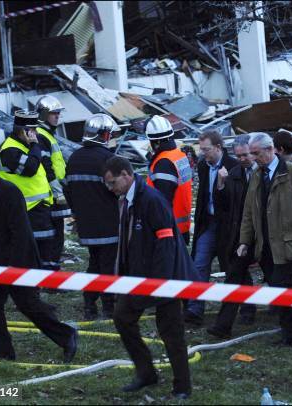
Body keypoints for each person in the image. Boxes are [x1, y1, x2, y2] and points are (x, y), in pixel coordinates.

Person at [0, 151, 77, 363]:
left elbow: (21, 233)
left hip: (15, 263)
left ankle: (67, 336)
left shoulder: (8, 191)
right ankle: (2, 352)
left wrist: (16, 269)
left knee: (29, 305)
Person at [104, 156, 193, 398]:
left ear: (126, 174)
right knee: (122, 319)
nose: (111, 189)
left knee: (171, 333)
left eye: (113, 183)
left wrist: (160, 284)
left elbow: (166, 245)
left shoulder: (151, 200)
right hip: (138, 278)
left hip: (164, 279)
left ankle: (182, 386)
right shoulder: (129, 200)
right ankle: (146, 373)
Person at [238, 133, 292, 345]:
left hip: (286, 244)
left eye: (256, 153)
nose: (253, 158)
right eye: (251, 153)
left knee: (281, 286)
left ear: (270, 149)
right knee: (281, 288)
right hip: (266, 244)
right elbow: (249, 211)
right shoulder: (256, 175)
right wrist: (245, 241)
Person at [65, 114, 120, 320]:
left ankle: (89, 304)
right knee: (107, 266)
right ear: (104, 135)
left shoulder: (74, 158)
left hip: (86, 225)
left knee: (94, 263)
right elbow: (117, 190)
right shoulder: (108, 159)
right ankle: (108, 307)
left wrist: (79, 214)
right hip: (109, 223)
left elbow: (69, 191)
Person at [207, 135, 259, 338]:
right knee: (234, 276)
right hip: (242, 236)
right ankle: (224, 324)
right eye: (238, 156)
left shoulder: (266, 173)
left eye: (246, 155)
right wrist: (220, 185)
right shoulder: (235, 174)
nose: (242, 159)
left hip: (264, 236)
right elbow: (226, 206)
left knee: (278, 279)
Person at [186, 130, 238, 325]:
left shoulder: (233, 166)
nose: (202, 153)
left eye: (206, 149)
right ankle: (194, 308)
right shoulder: (203, 166)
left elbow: (234, 200)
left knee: (232, 267)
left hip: (227, 226)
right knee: (199, 264)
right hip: (208, 222)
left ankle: (247, 306)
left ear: (218, 147)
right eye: (201, 149)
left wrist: (222, 184)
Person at [0, 110, 58, 270]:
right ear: (23, 131)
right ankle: (38, 280)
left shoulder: (24, 146)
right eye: (33, 131)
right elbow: (30, 167)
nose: (36, 134)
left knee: (47, 245)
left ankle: (47, 278)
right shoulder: (10, 150)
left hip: (38, 206)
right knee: (36, 246)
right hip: (27, 207)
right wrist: (35, 145)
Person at [34, 95, 71, 269]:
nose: (57, 116)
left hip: (53, 193)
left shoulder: (47, 135)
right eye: (53, 113)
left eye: (58, 113)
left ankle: (51, 271)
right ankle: (50, 273)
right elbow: (46, 167)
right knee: (54, 237)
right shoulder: (41, 136)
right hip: (51, 195)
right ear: (42, 115)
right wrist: (58, 192)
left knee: (57, 235)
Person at [145, 115, 193, 244]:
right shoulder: (178, 155)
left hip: (168, 231)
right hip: (181, 227)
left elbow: (162, 202)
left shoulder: (163, 163)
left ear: (155, 142)